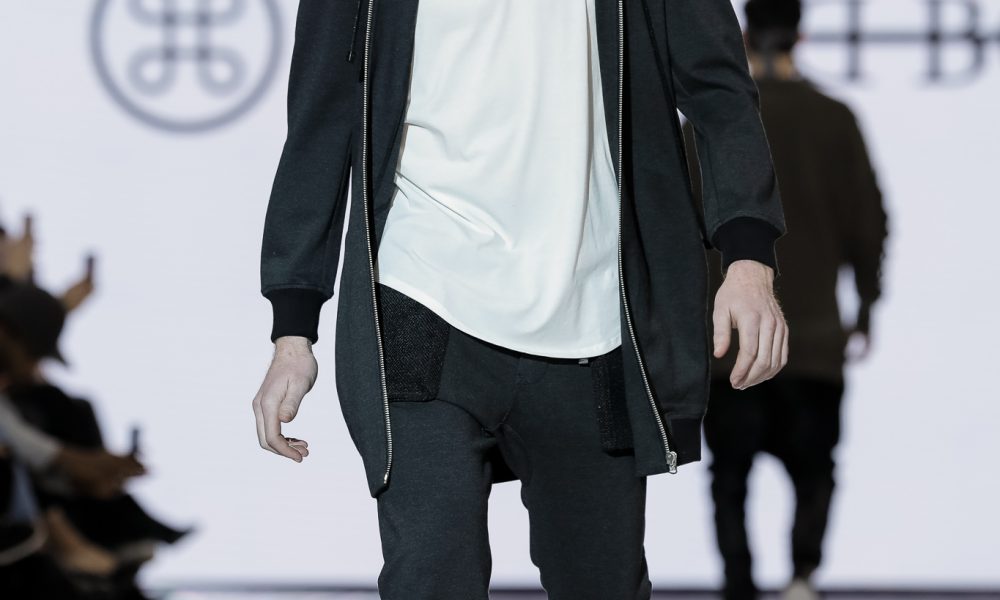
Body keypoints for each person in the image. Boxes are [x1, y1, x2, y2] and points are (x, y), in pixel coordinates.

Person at [253, 0, 788, 597]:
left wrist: (748, 258)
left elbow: (718, 88)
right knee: (430, 577)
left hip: (592, 317)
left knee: (602, 584)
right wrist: (293, 330)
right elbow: (321, 116)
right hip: (421, 298)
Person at [684, 1, 889, 599]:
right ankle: (801, 579)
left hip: (730, 340)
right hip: (814, 335)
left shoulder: (708, 126)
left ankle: (739, 586)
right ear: (801, 35)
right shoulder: (834, 118)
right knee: (814, 471)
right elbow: (868, 222)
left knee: (730, 478)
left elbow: (677, 225)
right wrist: (866, 306)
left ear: (744, 33)